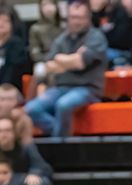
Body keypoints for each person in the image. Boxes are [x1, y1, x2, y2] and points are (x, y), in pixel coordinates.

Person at [25, 1, 108, 138]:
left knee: (63, 105)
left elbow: (79, 63)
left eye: (80, 18)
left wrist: (62, 60)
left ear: (88, 18)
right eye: (73, 17)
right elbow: (49, 65)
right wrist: (69, 59)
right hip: (61, 87)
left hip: (87, 88)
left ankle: (60, 147)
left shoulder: (96, 37)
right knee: (31, 109)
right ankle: (60, 137)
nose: (76, 22)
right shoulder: (62, 39)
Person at [90, 0, 132, 66]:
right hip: (102, 50)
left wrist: (100, 40)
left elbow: (120, 40)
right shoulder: (97, 14)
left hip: (120, 51)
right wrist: (93, 11)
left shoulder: (121, 12)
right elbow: (90, 35)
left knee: (96, 55)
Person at [29, 0, 62, 65]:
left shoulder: (64, 26)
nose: (48, 8)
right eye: (44, 5)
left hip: (64, 60)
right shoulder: (35, 29)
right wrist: (48, 59)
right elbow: (35, 53)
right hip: (45, 62)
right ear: (40, 8)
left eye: (51, 4)